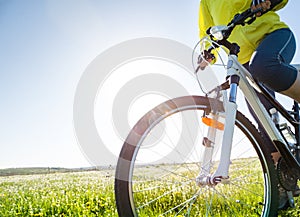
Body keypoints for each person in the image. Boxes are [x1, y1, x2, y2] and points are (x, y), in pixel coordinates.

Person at [199, 0, 299, 210]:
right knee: (263, 122)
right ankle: (283, 185)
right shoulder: (206, 2)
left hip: (273, 36)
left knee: (263, 65)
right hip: (241, 60)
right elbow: (207, 32)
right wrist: (208, 52)